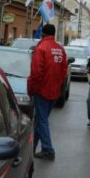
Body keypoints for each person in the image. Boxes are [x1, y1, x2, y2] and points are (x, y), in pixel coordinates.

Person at [27, 24, 68, 161]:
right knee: (40, 120)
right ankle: (31, 148)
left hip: (41, 91)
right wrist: (58, 87)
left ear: (42, 34)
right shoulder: (60, 49)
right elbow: (63, 72)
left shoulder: (41, 48)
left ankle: (48, 150)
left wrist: (32, 89)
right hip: (54, 91)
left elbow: (36, 73)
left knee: (42, 121)